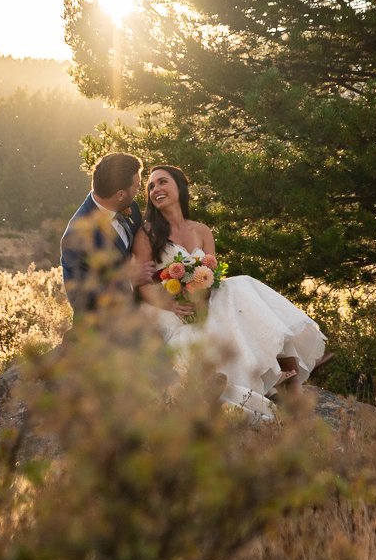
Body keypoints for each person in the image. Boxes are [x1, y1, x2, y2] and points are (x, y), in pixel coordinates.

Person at [130, 164, 326, 421]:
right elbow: (142, 284)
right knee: (231, 297)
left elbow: (212, 275)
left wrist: (201, 291)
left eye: (163, 182)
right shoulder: (147, 234)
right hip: (167, 306)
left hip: (204, 298)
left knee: (238, 286)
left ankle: (286, 373)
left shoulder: (201, 230)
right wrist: (172, 305)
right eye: (151, 187)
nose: (156, 189)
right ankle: (265, 377)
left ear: (180, 187)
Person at [58, 151, 158, 315]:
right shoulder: (77, 235)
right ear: (120, 194)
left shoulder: (130, 208)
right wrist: (128, 281)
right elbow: (81, 300)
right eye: (137, 187)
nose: (138, 191)